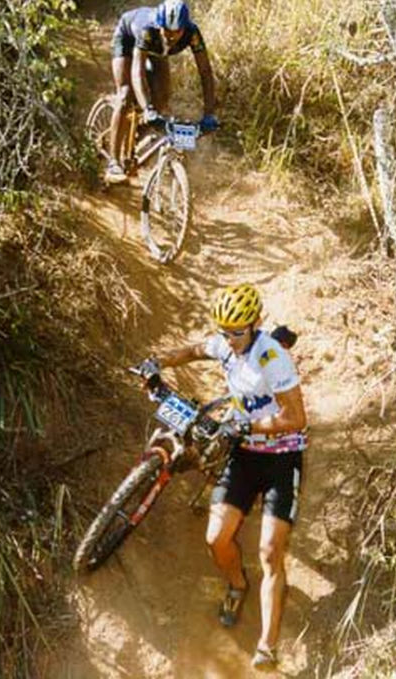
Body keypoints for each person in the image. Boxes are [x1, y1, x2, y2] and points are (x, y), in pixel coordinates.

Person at [137, 283, 307, 672]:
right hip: (245, 455)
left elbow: (296, 418)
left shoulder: (272, 357)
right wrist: (158, 361)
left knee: (269, 551)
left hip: (282, 457)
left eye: (237, 332)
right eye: (224, 330)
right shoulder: (224, 344)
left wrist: (250, 428)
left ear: (256, 324)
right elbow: (196, 350)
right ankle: (237, 584)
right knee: (216, 539)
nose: (229, 339)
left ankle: (267, 644)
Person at [105, 0, 218, 183]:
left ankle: (136, 133)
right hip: (127, 40)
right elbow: (136, 71)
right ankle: (113, 162)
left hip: (158, 51)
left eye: (176, 32)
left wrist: (209, 114)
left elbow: (205, 72)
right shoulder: (147, 29)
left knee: (163, 99)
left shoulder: (192, 32)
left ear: (185, 28)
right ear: (159, 25)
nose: (171, 36)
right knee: (126, 95)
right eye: (166, 30)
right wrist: (147, 108)